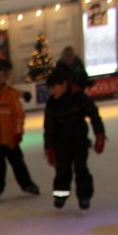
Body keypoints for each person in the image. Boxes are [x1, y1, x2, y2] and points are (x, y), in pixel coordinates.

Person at [0, 61, 41, 201]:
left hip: (10, 139)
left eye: (2, 77)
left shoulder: (10, 95)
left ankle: (27, 184)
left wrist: (18, 133)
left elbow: (18, 116)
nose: (0, 80)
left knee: (18, 163)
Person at [44, 67, 105, 210]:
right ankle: (60, 195)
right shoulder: (52, 104)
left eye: (54, 87)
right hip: (60, 144)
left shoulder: (79, 98)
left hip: (79, 142)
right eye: (50, 88)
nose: (52, 91)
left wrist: (100, 135)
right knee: (62, 170)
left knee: (81, 169)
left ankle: (84, 196)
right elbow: (49, 128)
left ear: (64, 84)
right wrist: (49, 147)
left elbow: (94, 116)